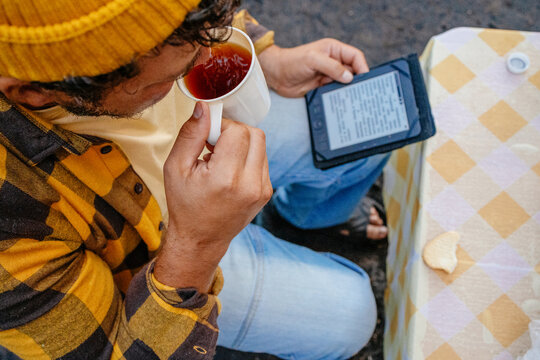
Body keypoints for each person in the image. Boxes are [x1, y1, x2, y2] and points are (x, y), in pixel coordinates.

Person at [0, 0, 389, 359]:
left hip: (206, 184)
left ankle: (305, 218)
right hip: (164, 258)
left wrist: (266, 56)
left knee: (366, 121)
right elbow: (114, 352)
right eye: (167, 79)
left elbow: (201, 14)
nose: (209, 57)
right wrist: (198, 246)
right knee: (353, 315)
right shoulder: (10, 224)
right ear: (33, 92)